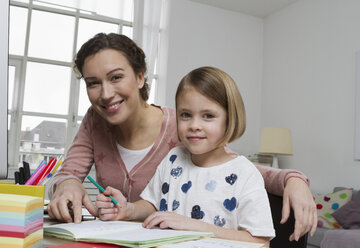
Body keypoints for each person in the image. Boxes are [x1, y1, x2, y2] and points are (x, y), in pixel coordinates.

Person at [46, 33, 316, 241]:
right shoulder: (96, 121)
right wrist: (70, 185)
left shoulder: (183, 127)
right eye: (93, 83)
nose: (105, 94)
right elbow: (71, 173)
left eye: (116, 77)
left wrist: (293, 178)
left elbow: (229, 170)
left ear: (140, 77)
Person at [96, 66, 275, 244]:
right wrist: (128, 209)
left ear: (229, 120)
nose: (194, 125)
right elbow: (153, 205)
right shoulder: (173, 159)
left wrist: (196, 227)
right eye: (186, 115)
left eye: (208, 116)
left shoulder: (245, 174)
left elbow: (260, 241)